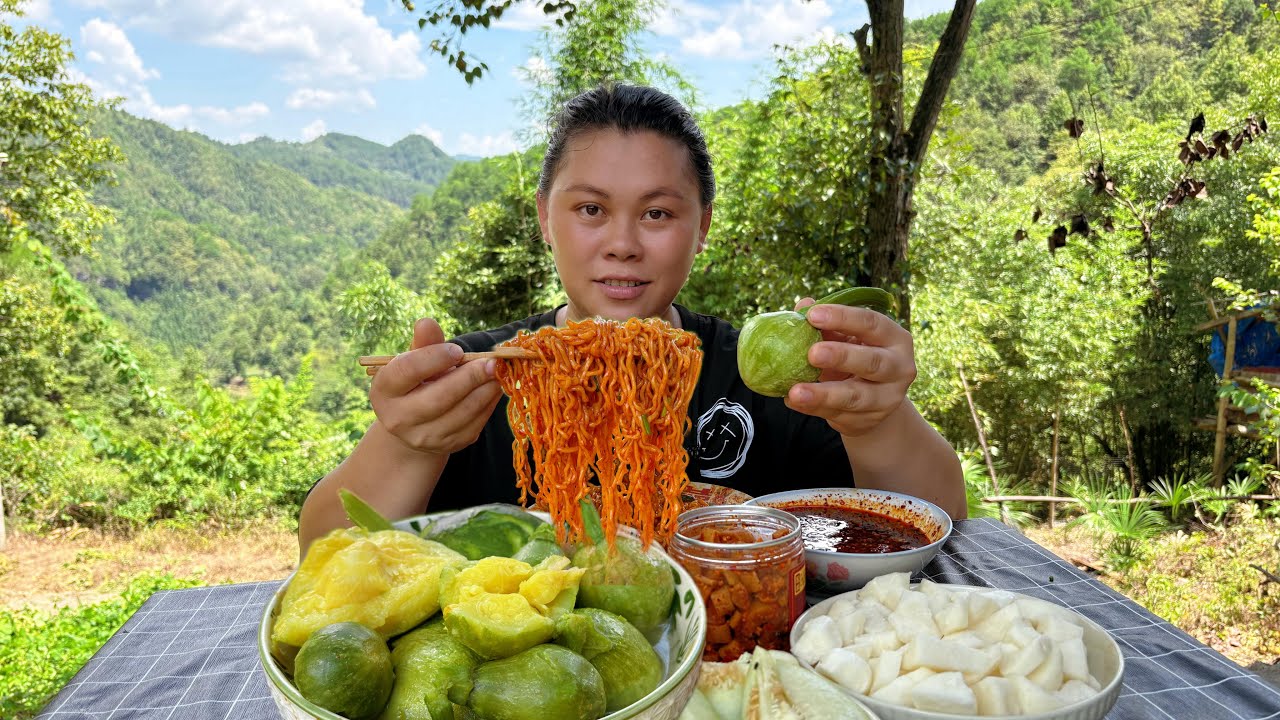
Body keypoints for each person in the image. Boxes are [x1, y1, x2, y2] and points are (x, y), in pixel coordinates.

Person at [299, 84, 965, 555]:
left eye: (657, 213)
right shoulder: (475, 378)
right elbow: (323, 553)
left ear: (701, 227)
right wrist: (408, 447)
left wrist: (877, 422)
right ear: (545, 218)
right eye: (590, 209)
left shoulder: (762, 378)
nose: (622, 243)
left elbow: (942, 522)